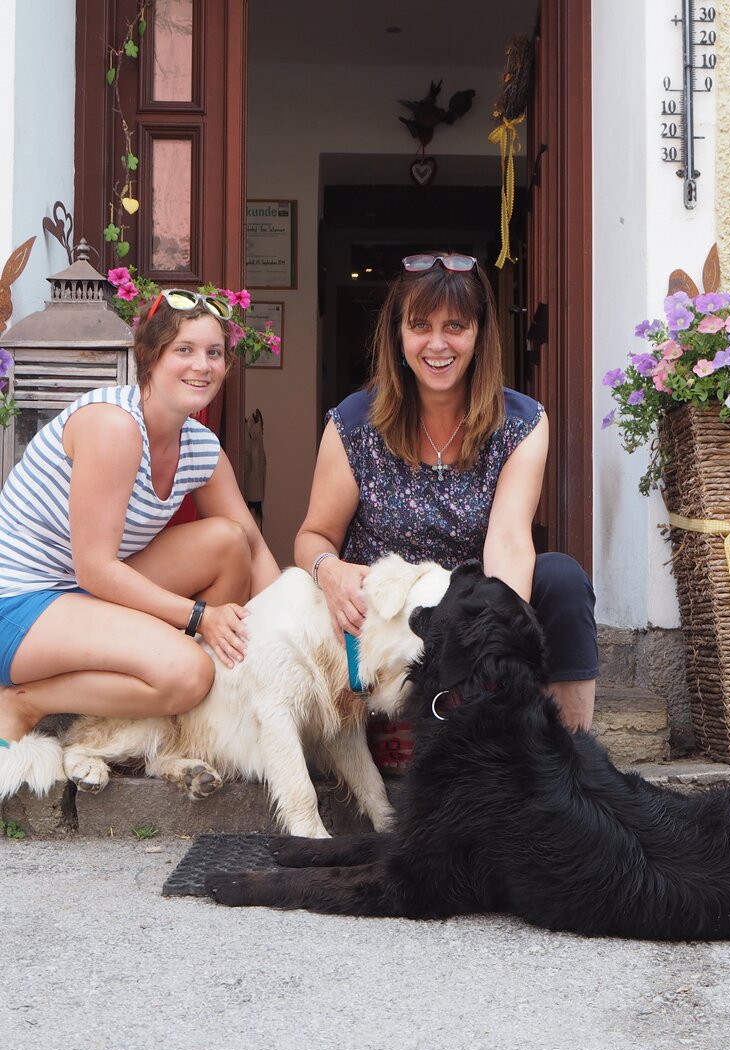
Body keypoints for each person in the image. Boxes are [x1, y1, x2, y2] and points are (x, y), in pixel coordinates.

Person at [295, 252, 598, 763]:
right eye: (421, 326)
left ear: (480, 333)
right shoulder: (354, 422)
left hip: (470, 607)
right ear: (399, 335)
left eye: (455, 325)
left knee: (563, 579)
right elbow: (313, 535)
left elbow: (508, 539)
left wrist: (497, 641)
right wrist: (330, 571)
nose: (437, 344)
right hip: (384, 615)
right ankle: (403, 732)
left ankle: (563, 758)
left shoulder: (522, 422)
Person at [0, 288, 280, 776]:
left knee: (228, 542)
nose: (202, 365)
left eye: (214, 353)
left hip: (82, 595)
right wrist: (200, 617)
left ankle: (194, 709)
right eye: (184, 350)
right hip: (22, 603)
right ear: (149, 358)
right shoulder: (113, 426)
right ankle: (24, 703)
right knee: (189, 670)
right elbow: (96, 568)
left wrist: (289, 638)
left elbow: (251, 546)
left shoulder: (200, 446)